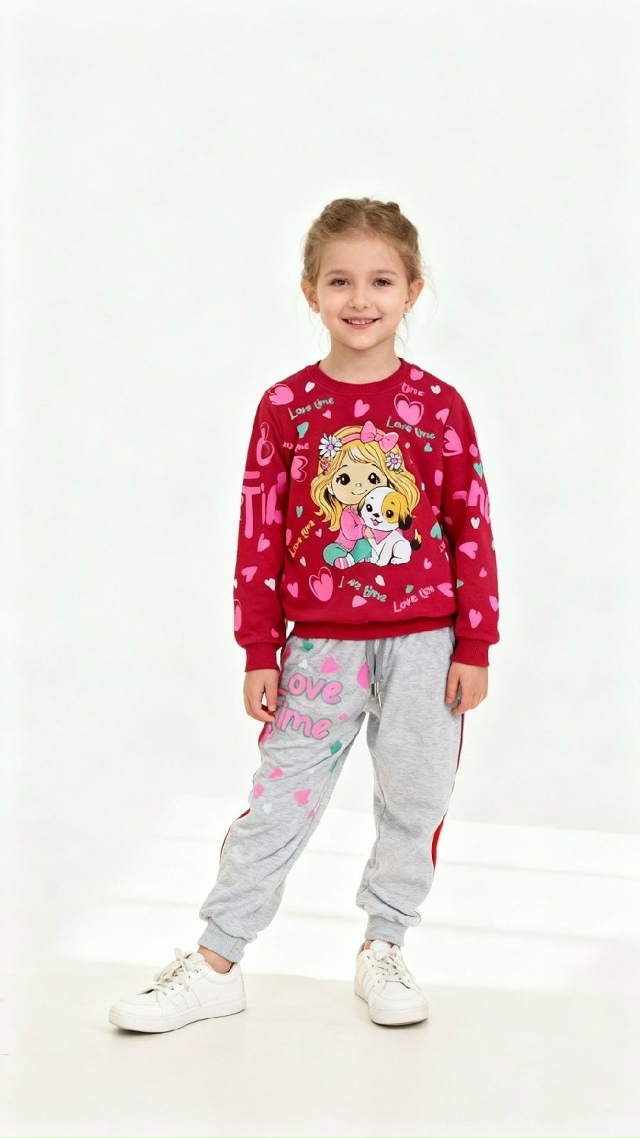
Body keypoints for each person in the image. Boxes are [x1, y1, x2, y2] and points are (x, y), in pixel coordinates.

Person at [109, 196, 500, 1032]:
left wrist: (476, 642)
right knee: (281, 799)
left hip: (427, 645)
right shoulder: (286, 406)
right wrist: (260, 647)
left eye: (381, 281)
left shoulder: (439, 406)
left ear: (413, 291)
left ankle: (385, 944)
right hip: (318, 646)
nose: (360, 299)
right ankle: (217, 960)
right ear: (310, 291)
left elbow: (471, 523)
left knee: (417, 798)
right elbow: (259, 532)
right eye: (340, 281)